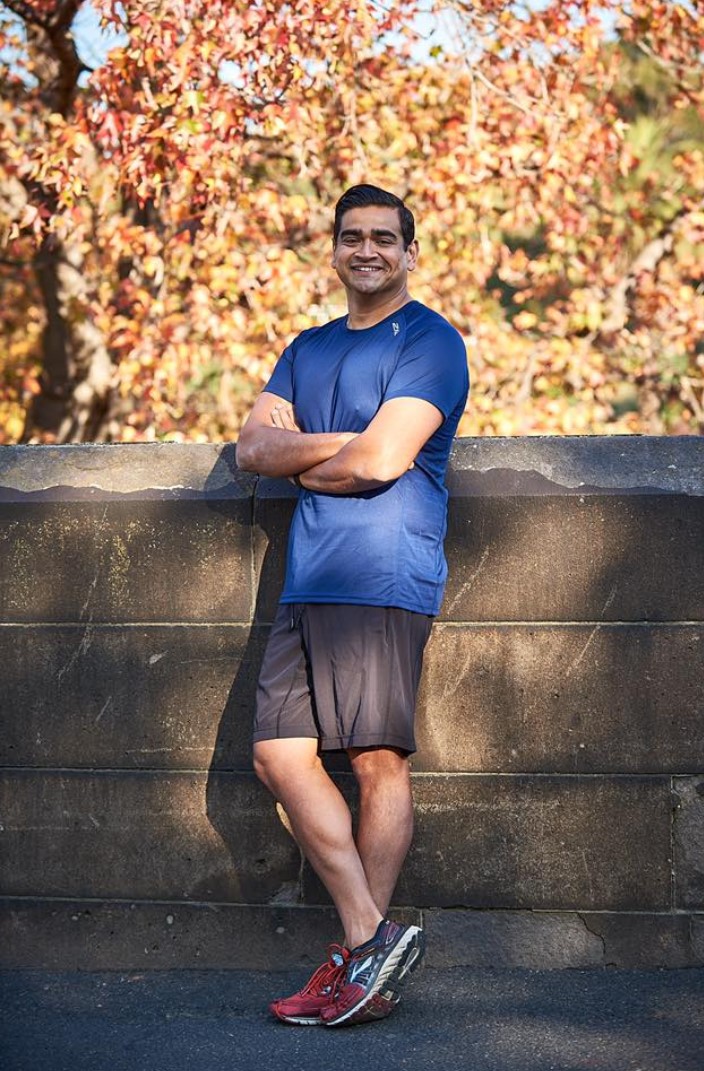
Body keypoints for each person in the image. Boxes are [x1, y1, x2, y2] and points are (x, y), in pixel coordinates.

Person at [236, 183, 469, 1027]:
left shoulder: (432, 342)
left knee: (376, 759)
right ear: (334, 250)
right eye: (351, 237)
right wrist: (348, 443)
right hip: (309, 577)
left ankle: (356, 963)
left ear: (410, 253)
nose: (365, 249)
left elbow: (382, 466)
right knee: (277, 755)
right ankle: (371, 940)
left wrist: (312, 458)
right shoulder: (307, 346)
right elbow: (253, 447)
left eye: (383, 237)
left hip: (381, 572)